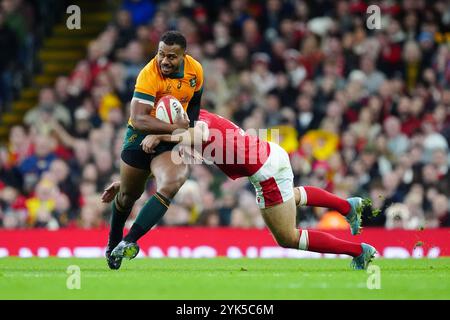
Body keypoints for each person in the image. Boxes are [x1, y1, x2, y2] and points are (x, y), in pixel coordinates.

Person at [103, 108, 377, 270]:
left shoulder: (196, 126)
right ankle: (347, 206)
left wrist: (159, 134)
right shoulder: (196, 117)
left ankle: (359, 251)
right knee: (289, 198)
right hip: (271, 154)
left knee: (287, 237)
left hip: (265, 172)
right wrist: (127, 182)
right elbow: (171, 160)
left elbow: (195, 135)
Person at [105, 30, 204, 270]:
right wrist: (174, 128)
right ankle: (113, 242)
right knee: (129, 196)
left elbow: (192, 115)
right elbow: (139, 119)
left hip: (168, 139)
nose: (165, 61)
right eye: (161, 54)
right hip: (139, 137)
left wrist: (180, 137)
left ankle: (128, 242)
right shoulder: (148, 74)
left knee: (173, 181)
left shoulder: (195, 71)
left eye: (171, 56)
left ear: (183, 56)